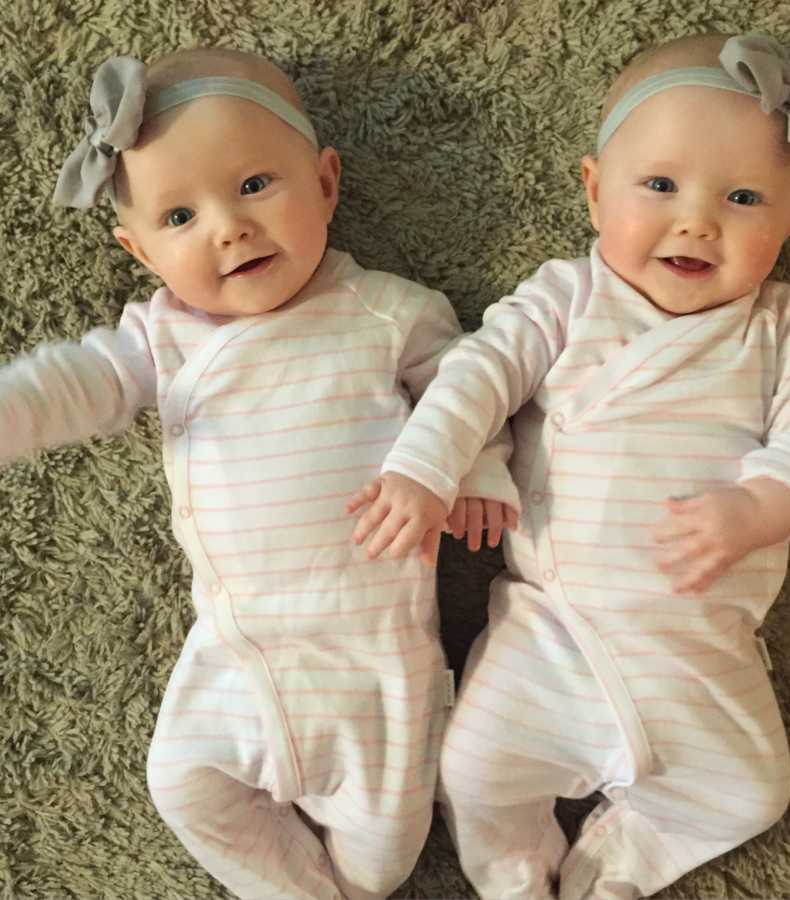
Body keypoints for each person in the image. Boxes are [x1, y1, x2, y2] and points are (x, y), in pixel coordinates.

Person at [349, 32, 790, 899]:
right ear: (594, 190)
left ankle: (617, 866)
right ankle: (514, 876)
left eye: (743, 198)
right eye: (659, 186)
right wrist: (428, 469)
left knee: (751, 790)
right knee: (473, 770)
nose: (696, 220)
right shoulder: (567, 297)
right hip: (554, 629)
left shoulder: (780, 331)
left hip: (698, 641)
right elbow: (478, 374)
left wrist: (763, 506)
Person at [2, 47, 519, 900]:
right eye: (179, 218)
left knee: (385, 858)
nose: (228, 228)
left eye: (253, 187)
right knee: (183, 782)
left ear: (325, 182)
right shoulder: (162, 340)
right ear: (139, 253)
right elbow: (73, 386)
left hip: (377, 658)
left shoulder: (386, 311)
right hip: (237, 654)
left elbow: (469, 391)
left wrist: (478, 473)